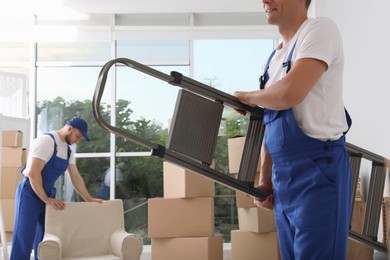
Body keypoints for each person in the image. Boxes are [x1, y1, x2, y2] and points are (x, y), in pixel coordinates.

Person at [234, 0, 352, 259]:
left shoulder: (320, 30)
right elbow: (271, 126)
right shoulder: (273, 59)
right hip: (283, 178)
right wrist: (265, 180)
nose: (264, 1)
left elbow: (290, 93)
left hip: (318, 173)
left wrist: (248, 97)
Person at [10, 117, 103, 260]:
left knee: (45, 240)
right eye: (78, 136)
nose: (78, 140)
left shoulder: (68, 151)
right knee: (24, 238)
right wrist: (47, 199)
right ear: (69, 129)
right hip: (30, 193)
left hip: (48, 193)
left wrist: (88, 198)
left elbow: (75, 177)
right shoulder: (46, 141)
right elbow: (33, 173)